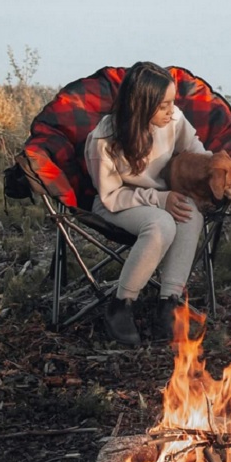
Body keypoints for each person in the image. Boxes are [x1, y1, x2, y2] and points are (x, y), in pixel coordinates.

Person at [84, 61, 208, 347]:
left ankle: (169, 305)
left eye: (172, 102)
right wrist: (160, 199)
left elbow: (196, 152)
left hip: (160, 199)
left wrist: (214, 171)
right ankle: (120, 304)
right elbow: (111, 195)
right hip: (116, 203)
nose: (171, 110)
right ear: (140, 104)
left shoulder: (173, 120)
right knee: (161, 224)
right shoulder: (105, 139)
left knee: (190, 214)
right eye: (163, 105)